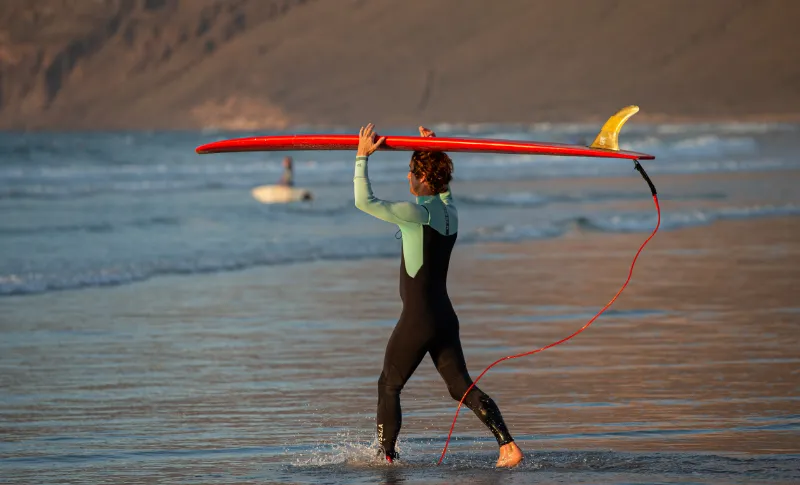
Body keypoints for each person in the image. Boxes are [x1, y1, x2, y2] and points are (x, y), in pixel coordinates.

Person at [353, 123, 524, 467]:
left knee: (388, 385)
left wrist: (361, 157)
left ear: (422, 179)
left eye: (411, 173)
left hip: (419, 318)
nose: (407, 179)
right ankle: (507, 445)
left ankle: (386, 457)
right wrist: (432, 149)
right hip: (444, 317)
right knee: (460, 386)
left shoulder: (414, 214)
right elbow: (444, 192)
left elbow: (363, 201)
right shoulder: (451, 214)